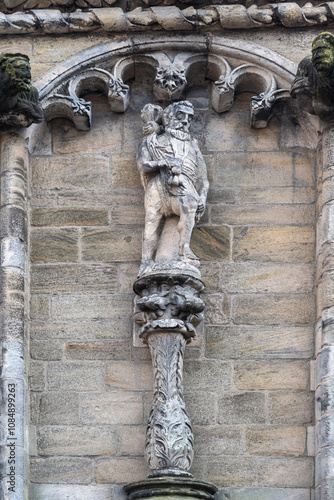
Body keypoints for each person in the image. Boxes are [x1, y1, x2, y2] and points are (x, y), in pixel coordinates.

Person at [137, 100, 209, 274]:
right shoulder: (153, 141)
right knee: (151, 220)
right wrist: (163, 163)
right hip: (159, 184)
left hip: (183, 185)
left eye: (189, 118)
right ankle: (145, 262)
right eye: (180, 115)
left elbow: (202, 178)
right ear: (168, 117)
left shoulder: (193, 145)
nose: (185, 121)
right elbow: (144, 165)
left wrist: (203, 196)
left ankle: (184, 251)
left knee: (191, 204)